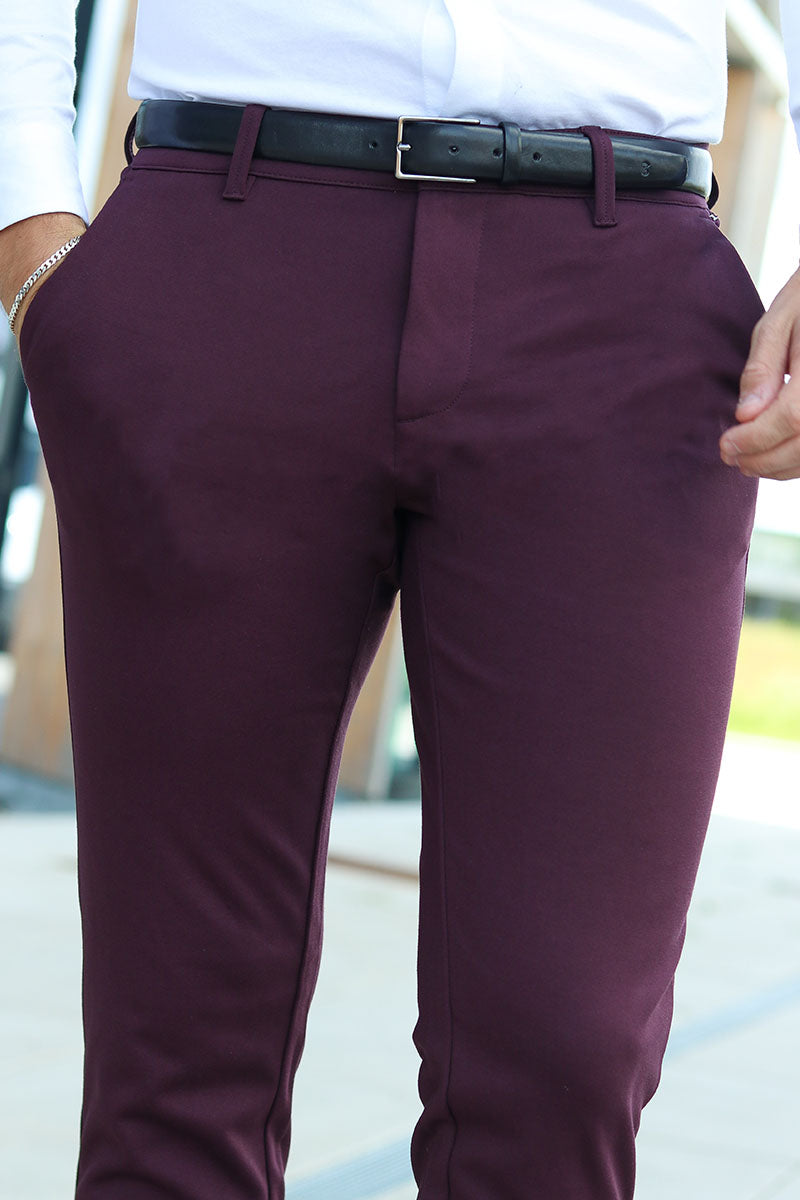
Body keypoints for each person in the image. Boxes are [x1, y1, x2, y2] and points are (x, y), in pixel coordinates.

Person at [2, 3, 800, 1197]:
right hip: (227, 244)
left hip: (621, 299)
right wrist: (29, 233)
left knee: (564, 1059)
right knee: (174, 1054)